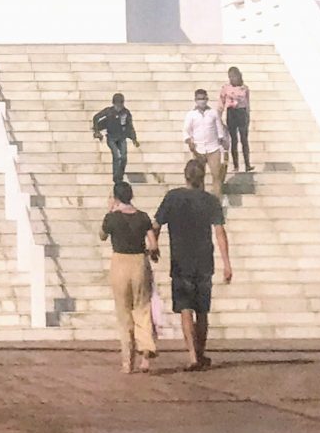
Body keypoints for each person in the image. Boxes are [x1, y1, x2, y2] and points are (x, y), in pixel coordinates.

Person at [155, 156, 232, 371]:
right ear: (203, 177)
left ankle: (192, 355)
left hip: (180, 261)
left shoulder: (173, 197)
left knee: (186, 308)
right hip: (204, 261)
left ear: (185, 177)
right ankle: (201, 351)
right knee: (202, 311)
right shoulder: (210, 201)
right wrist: (226, 263)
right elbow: (219, 232)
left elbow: (156, 224)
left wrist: (153, 246)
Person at [100, 180, 159, 373]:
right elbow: (153, 243)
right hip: (139, 262)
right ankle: (146, 353)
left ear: (116, 198)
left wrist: (110, 211)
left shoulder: (112, 218)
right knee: (142, 308)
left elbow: (102, 235)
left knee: (123, 312)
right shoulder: (142, 217)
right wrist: (153, 253)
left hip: (119, 263)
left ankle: (127, 361)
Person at [183, 87, 229, 196]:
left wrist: (224, 145)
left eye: (203, 98)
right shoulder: (191, 115)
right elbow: (186, 131)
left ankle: (217, 201)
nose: (201, 101)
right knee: (198, 177)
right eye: (199, 99)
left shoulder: (213, 113)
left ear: (207, 99)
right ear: (195, 100)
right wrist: (190, 142)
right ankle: (200, 200)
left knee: (216, 176)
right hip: (198, 150)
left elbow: (219, 130)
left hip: (213, 148)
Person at [91, 93, 138, 186]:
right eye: (117, 105)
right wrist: (97, 131)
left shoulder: (126, 113)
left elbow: (130, 126)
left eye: (120, 105)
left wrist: (134, 138)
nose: (119, 107)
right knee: (116, 156)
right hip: (111, 137)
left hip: (122, 137)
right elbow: (96, 117)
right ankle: (116, 177)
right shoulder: (109, 111)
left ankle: (120, 175)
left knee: (124, 157)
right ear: (114, 104)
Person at [221, 66, 253, 173]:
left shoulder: (244, 88)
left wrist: (248, 116)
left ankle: (247, 164)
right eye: (230, 77)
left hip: (241, 112)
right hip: (231, 113)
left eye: (234, 76)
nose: (232, 79)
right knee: (234, 140)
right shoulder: (226, 87)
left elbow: (247, 103)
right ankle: (236, 165)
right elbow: (221, 101)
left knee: (244, 139)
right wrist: (219, 115)